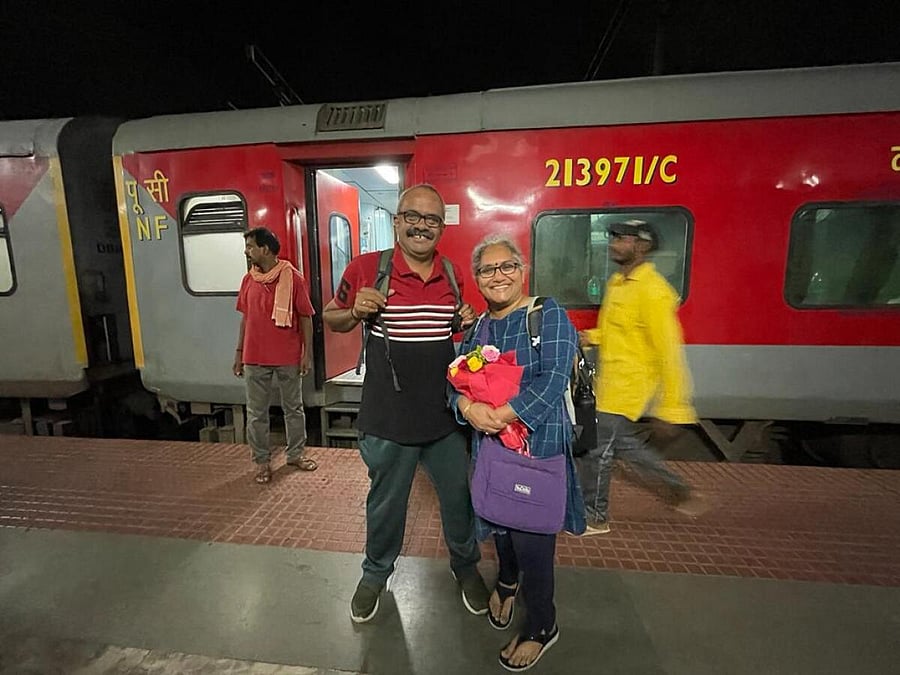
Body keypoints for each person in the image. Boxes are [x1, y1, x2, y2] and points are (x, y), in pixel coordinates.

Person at [322, 184, 489, 623]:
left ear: (441, 228)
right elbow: (330, 317)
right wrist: (355, 310)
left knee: (458, 499)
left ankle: (465, 566)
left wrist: (463, 322)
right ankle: (375, 574)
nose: (421, 225)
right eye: (412, 216)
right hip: (387, 418)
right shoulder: (366, 270)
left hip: (443, 418)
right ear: (397, 222)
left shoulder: (452, 275)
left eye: (431, 219)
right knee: (385, 504)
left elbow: (451, 338)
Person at [453, 234, 585, 672]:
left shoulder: (547, 315)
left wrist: (504, 413)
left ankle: (543, 625)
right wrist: (468, 407)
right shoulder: (478, 329)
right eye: (488, 270)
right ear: (477, 279)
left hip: (538, 448)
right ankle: (507, 582)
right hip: (491, 449)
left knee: (533, 541)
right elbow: (452, 380)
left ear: (522, 270)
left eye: (506, 266)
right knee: (500, 526)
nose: (498, 276)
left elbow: (553, 379)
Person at [578, 219, 705, 535]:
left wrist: (673, 408)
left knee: (597, 452)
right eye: (614, 238)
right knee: (624, 447)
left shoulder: (654, 292)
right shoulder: (618, 283)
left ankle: (594, 517)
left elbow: (669, 353)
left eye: (623, 239)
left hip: (626, 389)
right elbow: (617, 331)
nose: (614, 244)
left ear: (643, 246)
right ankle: (679, 490)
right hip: (606, 383)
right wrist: (590, 336)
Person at [233, 227, 317, 484]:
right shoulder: (249, 280)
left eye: (250, 247)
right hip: (254, 356)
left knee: (293, 409)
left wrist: (307, 354)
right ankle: (262, 462)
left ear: (265, 249)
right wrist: (239, 353)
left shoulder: (293, 278)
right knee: (256, 413)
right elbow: (246, 319)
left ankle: (295, 455)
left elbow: (306, 318)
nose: (246, 252)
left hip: (287, 356)